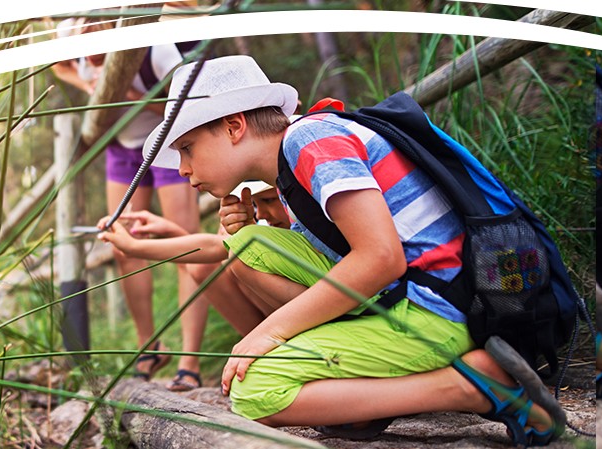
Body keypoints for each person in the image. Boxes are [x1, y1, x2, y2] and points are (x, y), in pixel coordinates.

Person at [137, 55, 567, 445]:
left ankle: (474, 386)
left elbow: (381, 258)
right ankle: (368, 376)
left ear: (234, 127)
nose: (183, 169)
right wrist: (252, 232)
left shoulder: (311, 141)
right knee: (249, 243)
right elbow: (336, 258)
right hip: (404, 293)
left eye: (187, 148)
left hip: (438, 308)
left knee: (255, 393)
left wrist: (268, 333)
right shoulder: (292, 165)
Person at [51, 15, 206, 391]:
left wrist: (136, 99)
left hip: (169, 144)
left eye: (96, 43)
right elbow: (58, 64)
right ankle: (148, 346)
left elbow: (189, 106)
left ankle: (191, 361)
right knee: (123, 243)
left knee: (185, 244)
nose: (89, 54)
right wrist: (88, 83)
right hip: (122, 149)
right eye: (82, 48)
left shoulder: (156, 48)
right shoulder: (71, 36)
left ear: (112, 25)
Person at [96, 180, 289, 339]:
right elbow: (213, 249)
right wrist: (172, 232)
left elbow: (218, 246)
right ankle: (265, 346)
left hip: (303, 309)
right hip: (281, 312)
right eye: (256, 204)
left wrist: (134, 247)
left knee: (239, 255)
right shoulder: (261, 222)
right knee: (206, 265)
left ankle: (277, 344)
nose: (261, 213)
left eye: (270, 200)